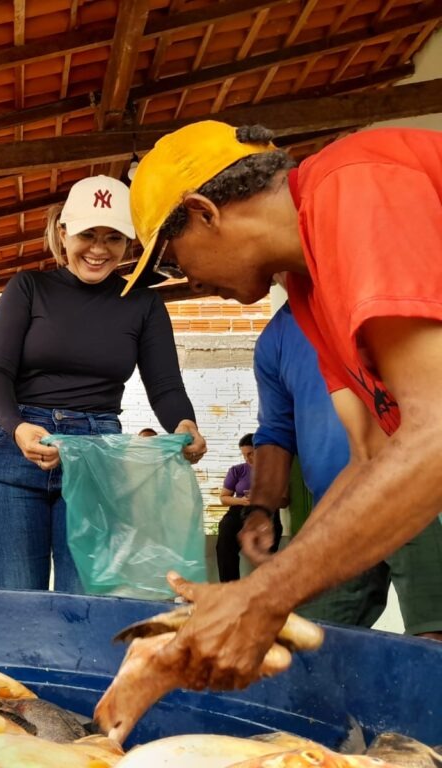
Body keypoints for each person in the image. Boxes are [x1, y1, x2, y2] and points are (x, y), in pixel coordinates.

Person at [124, 120, 442, 690]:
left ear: (203, 211)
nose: (188, 283)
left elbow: (435, 433)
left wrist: (267, 595)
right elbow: (371, 454)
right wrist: (261, 585)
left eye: (173, 263)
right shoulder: (310, 290)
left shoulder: (354, 183)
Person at [0, 175, 208, 593]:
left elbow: (165, 385)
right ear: (63, 233)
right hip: (18, 450)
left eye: (113, 238)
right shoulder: (28, 288)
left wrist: (184, 423)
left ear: (128, 243)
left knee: (80, 607)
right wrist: (17, 426)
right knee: (14, 606)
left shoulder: (143, 303)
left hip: (96, 457)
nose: (99, 250)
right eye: (87, 234)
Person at [241, 299, 442, 636]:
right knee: (306, 637)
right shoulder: (278, 338)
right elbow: (278, 432)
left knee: (433, 635)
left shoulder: (378, 300)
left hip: (417, 494)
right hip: (342, 507)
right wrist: (261, 509)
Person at [215, 433, 262, 582]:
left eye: (251, 454)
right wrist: (242, 501)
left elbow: (284, 501)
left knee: (270, 535)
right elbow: (224, 498)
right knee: (225, 534)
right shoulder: (237, 470)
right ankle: (229, 587)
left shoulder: (274, 469)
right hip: (239, 509)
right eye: (244, 455)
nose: (247, 459)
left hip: (265, 511)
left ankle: (267, 588)